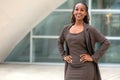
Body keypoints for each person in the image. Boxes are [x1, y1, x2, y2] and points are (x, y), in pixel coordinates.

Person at [58, 2, 110, 80]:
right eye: (76, 9)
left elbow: (106, 43)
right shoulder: (66, 29)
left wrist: (93, 57)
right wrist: (64, 55)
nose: (79, 12)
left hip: (86, 68)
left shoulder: (90, 29)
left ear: (85, 13)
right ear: (73, 12)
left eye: (82, 10)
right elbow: (59, 42)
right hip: (71, 67)